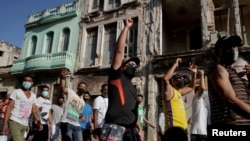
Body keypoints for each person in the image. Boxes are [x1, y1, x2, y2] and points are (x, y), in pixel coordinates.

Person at [101, 18, 144, 141]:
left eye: (135, 66)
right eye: (131, 64)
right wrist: (126, 27)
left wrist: (140, 129)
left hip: (131, 130)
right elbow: (119, 51)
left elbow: (133, 112)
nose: (134, 67)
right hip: (115, 127)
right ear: (123, 67)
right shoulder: (116, 76)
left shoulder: (132, 88)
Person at [207, 35, 250, 125]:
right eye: (229, 47)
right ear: (218, 52)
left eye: (235, 47)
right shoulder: (218, 69)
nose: (234, 50)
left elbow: (246, 99)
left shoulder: (235, 73)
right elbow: (230, 100)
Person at [1, 75, 42, 141]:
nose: (27, 82)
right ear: (22, 82)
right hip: (14, 121)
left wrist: (39, 121)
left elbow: (34, 110)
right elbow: (9, 107)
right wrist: (5, 123)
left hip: (25, 124)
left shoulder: (33, 96)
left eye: (29, 81)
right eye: (25, 80)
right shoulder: (16, 92)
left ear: (32, 83)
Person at [162, 58, 197, 133]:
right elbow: (165, 79)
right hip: (173, 129)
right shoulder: (170, 91)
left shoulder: (179, 92)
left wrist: (194, 74)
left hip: (183, 129)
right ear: (172, 81)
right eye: (179, 78)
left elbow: (191, 87)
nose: (181, 80)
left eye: (182, 78)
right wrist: (175, 65)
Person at [60, 69, 85, 141]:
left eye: (84, 87)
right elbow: (63, 89)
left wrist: (82, 116)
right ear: (77, 87)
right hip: (67, 122)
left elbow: (78, 113)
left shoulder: (83, 102)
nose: (82, 88)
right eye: (81, 87)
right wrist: (62, 78)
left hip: (76, 124)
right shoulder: (71, 93)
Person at [190, 69, 208, 141]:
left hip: (203, 132)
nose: (205, 91)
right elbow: (202, 88)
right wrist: (201, 75)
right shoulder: (197, 98)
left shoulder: (204, 103)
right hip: (197, 132)